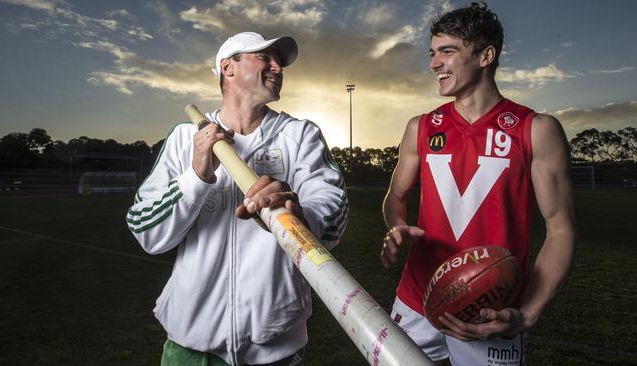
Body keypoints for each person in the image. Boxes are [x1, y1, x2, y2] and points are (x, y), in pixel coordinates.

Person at [127, 32, 348, 366]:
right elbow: (146, 232)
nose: (278, 67)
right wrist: (196, 177)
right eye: (265, 57)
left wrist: (296, 212)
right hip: (191, 348)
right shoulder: (184, 138)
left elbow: (333, 213)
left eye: (280, 62)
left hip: (275, 350)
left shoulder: (300, 135)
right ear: (228, 68)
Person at [380, 3, 575, 365]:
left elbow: (560, 230)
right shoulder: (419, 127)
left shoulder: (536, 129)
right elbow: (396, 196)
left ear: (486, 55)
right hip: (417, 298)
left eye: (448, 51)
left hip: (490, 312)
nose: (434, 63)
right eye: (433, 53)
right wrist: (397, 226)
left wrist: (528, 313)